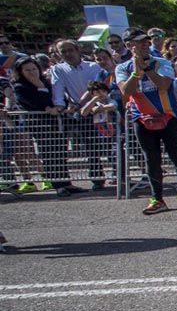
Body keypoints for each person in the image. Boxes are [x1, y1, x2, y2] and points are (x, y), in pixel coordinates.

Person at [116, 27, 177, 215]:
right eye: (139, 41)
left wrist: (148, 69)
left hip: (168, 117)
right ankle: (157, 199)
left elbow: (165, 84)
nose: (145, 44)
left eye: (146, 40)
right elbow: (126, 91)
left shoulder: (162, 62)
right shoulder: (122, 67)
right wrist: (136, 73)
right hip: (142, 118)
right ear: (129, 46)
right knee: (152, 160)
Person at [49, 39, 106, 191]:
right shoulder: (58, 69)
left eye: (70, 50)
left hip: (96, 108)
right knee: (78, 146)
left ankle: (105, 177)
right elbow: (58, 88)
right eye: (63, 51)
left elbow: (95, 87)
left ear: (77, 50)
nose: (68, 54)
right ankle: (83, 180)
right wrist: (60, 106)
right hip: (75, 112)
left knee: (99, 145)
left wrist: (83, 104)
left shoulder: (93, 66)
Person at [11, 57, 62, 195]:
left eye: (34, 69)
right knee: (46, 153)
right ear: (20, 72)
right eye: (27, 70)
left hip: (54, 122)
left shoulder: (47, 82)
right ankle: (56, 183)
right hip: (36, 124)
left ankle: (65, 182)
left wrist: (42, 87)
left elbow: (54, 99)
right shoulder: (20, 87)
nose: (32, 72)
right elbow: (35, 104)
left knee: (59, 152)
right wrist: (40, 87)